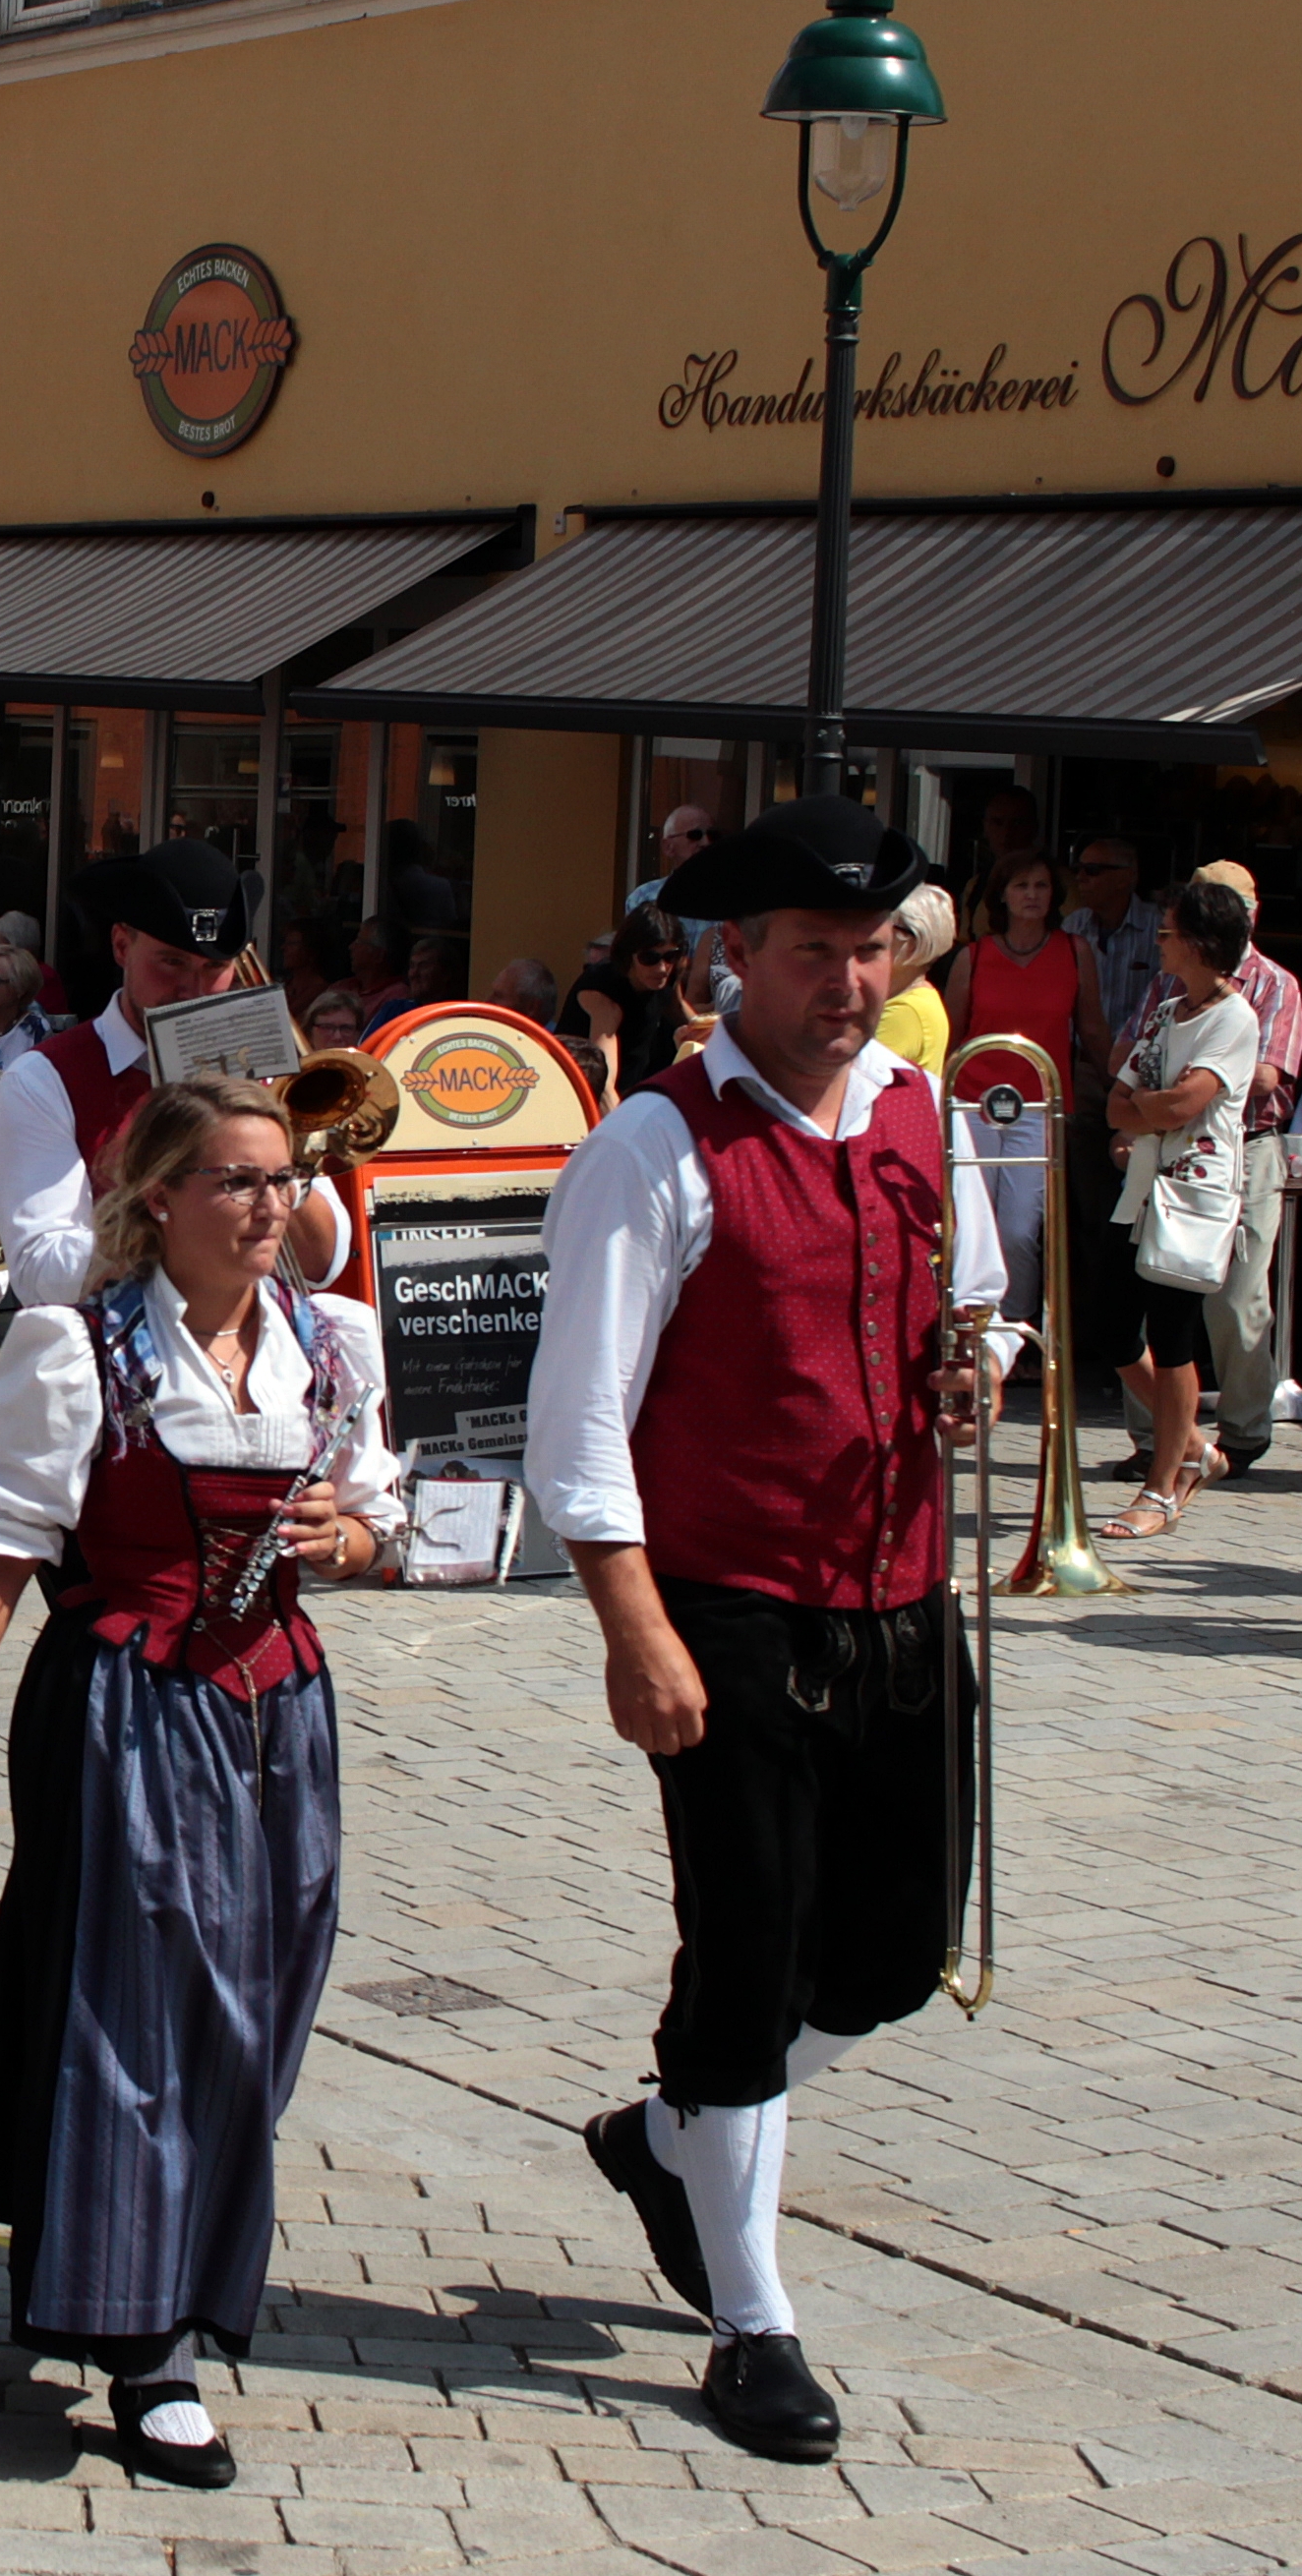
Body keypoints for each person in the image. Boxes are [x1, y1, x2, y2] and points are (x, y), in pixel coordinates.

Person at [522, 791, 998, 2469]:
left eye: (871, 951)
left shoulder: (924, 1114)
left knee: (887, 1956)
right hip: (728, 1603)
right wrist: (630, 1631)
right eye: (817, 954)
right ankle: (752, 2315)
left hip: (899, 1588)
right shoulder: (652, 1146)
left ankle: (670, 2138)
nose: (851, 985)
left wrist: (975, 1373)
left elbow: (977, 1316)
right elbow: (575, 1426)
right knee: (746, 1948)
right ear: (735, 959)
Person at [0, 1075, 402, 2489]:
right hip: (126, 1701)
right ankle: (145, 2338)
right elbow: (0, 1545)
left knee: (259, 2005)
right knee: (135, 2007)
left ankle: (173, 2269)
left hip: (279, 1711)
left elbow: (381, 1522)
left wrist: (344, 1542)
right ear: (160, 1194)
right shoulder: (79, 1345)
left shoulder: (331, 1338)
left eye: (284, 1177)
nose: (270, 1204)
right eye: (236, 1179)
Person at [0, 840, 348, 1310]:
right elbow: (41, 1272)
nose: (194, 990)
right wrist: (191, 1214)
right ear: (121, 945)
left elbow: (323, 1264)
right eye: (171, 961)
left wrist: (282, 1161)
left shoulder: (264, 1078)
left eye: (215, 967)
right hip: (114, 1365)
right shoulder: (43, 1079)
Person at [1095, 881, 1258, 1543]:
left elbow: (1179, 1105)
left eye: (1167, 933)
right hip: (1141, 1188)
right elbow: (1117, 1101)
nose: (1157, 942)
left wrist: (1147, 1109)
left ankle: (1163, 1485)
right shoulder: (1168, 1009)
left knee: (1173, 1335)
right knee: (1109, 1324)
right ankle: (1192, 1445)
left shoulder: (1233, 1018)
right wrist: (1145, 1108)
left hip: (1190, 1195)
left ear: (1197, 942)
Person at [1128, 862, 1302, 1476]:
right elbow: (1133, 1073)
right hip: (1163, 1151)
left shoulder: (1273, 986)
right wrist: (1155, 1106)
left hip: (1247, 1146)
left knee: (1236, 1294)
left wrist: (1171, 1094)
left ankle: (1245, 1432)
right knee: (1148, 1296)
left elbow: (1262, 1076)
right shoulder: (1167, 988)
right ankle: (1160, 1439)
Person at [939, 851, 1083, 1323]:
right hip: (973, 1104)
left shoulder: (1076, 952)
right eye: (1021, 886)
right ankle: (971, 1327)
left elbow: (1095, 1031)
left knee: (1020, 1228)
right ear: (1002, 894)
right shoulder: (974, 956)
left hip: (1040, 1105)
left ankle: (1016, 1331)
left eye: (1041, 886)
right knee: (972, 1225)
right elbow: (951, 1037)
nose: (1032, 895)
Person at [563, 909, 694, 1102]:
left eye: (670, 956)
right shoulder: (602, 991)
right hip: (580, 1095)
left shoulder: (667, 977)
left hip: (637, 1089)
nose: (661, 968)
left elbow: (676, 1007)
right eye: (649, 958)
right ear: (628, 955)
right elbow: (604, 1083)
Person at [1060, 838, 1159, 1073]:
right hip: (1080, 1067)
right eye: (1078, 869)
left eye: (1092, 871)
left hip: (1141, 1068)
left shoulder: (1159, 928)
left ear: (1128, 876)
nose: (1080, 878)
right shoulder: (1073, 926)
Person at [876, 883, 954, 1073]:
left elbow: (854, 1085)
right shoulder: (918, 998)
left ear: (913, 942)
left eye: (886, 924)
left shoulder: (905, 1013)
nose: (874, 933)